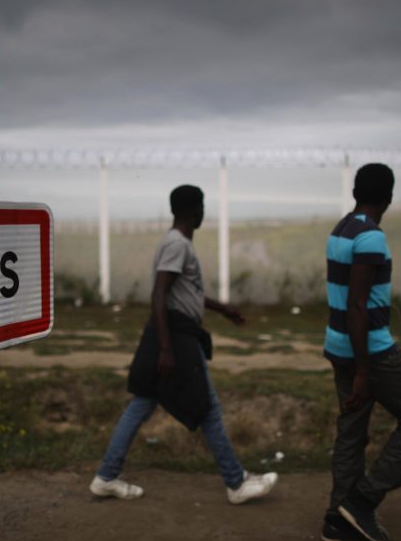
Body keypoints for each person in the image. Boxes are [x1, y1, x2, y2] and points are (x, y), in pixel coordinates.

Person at [89, 184, 278, 505]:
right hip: (175, 336)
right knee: (208, 407)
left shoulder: (175, 243)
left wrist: (223, 309)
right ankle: (236, 483)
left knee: (142, 404)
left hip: (173, 332)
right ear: (195, 210)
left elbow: (184, 292)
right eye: (202, 207)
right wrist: (166, 348)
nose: (205, 213)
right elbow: (160, 294)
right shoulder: (178, 245)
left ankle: (106, 476)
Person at [320, 163, 401, 541]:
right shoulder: (371, 237)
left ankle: (337, 519)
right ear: (389, 195)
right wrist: (364, 372)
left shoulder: (341, 229)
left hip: (338, 344)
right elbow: (357, 304)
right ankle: (363, 500)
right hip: (370, 349)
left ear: (355, 192)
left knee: (352, 431)